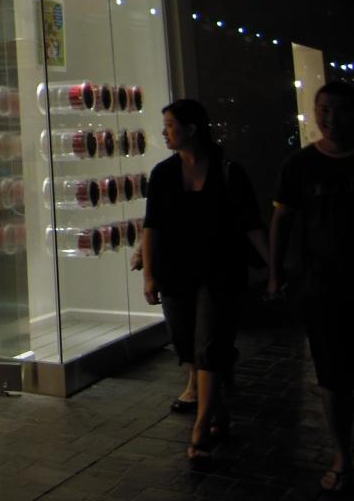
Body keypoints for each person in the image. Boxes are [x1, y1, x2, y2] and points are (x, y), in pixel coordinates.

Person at [141, 98, 268, 460]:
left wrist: (273, 266)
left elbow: (251, 224)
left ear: (191, 129)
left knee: (209, 345)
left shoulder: (227, 171)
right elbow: (152, 227)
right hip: (175, 272)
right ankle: (218, 410)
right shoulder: (163, 174)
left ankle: (200, 430)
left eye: (170, 125)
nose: (165, 132)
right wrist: (149, 274)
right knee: (186, 343)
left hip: (220, 271)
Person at [269, 80, 354, 495]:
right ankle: (343, 454)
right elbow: (282, 219)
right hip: (322, 286)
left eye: (340, 109)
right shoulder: (299, 165)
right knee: (331, 374)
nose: (331, 118)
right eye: (324, 109)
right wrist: (276, 272)